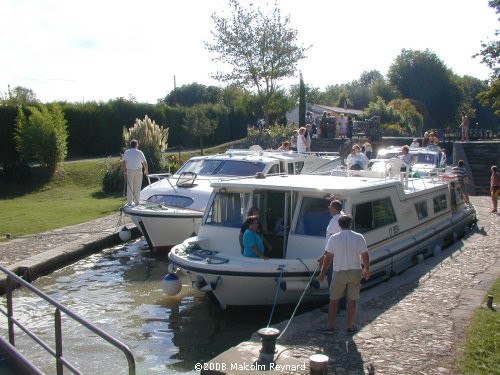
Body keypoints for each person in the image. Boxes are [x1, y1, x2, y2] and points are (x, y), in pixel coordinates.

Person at [318, 215, 370, 333]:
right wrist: (367, 269)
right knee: (352, 301)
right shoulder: (359, 237)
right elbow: (365, 255)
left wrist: (323, 273)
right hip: (355, 272)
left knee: (334, 301)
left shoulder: (334, 238)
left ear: (339, 225)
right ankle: (350, 326)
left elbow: (328, 258)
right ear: (350, 224)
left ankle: (330, 327)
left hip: (339, 272)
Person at [122, 139, 148, 205]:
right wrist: (146, 170)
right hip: (138, 171)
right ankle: (137, 202)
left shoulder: (127, 152)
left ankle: (129, 203)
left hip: (129, 171)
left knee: (130, 186)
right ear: (136, 145)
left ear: (130, 145)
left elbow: (124, 162)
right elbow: (145, 162)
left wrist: (124, 171)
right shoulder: (140, 152)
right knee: (137, 187)